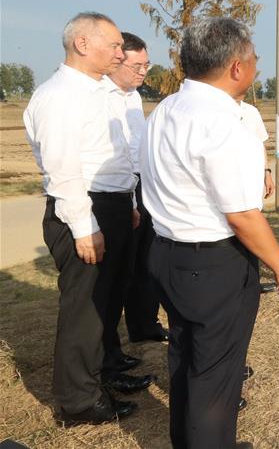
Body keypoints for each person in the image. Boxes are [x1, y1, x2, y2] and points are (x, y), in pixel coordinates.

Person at [142, 17, 279, 449]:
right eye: (254, 59)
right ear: (236, 67)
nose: (257, 66)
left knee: (185, 357)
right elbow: (242, 216)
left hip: (167, 254)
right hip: (211, 263)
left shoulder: (165, 110)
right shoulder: (223, 123)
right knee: (216, 374)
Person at [24, 12, 149, 425]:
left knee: (107, 302)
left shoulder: (98, 92)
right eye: (113, 45)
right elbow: (63, 170)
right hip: (84, 209)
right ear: (82, 43)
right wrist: (85, 227)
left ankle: (104, 373)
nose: (119, 52)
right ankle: (77, 402)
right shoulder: (60, 95)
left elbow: (115, 158)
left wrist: (128, 202)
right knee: (84, 311)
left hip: (111, 204)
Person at [105, 32, 168, 343]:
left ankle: (145, 324)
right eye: (137, 66)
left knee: (147, 259)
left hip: (141, 185)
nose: (143, 72)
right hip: (116, 188)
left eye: (147, 65)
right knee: (120, 267)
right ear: (117, 60)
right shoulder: (101, 96)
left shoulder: (134, 97)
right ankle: (110, 344)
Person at [236, 96, 278, 295]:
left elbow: (260, 144)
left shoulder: (251, 112)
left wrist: (266, 172)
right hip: (229, 181)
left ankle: (252, 281)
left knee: (252, 229)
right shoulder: (214, 110)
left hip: (251, 180)